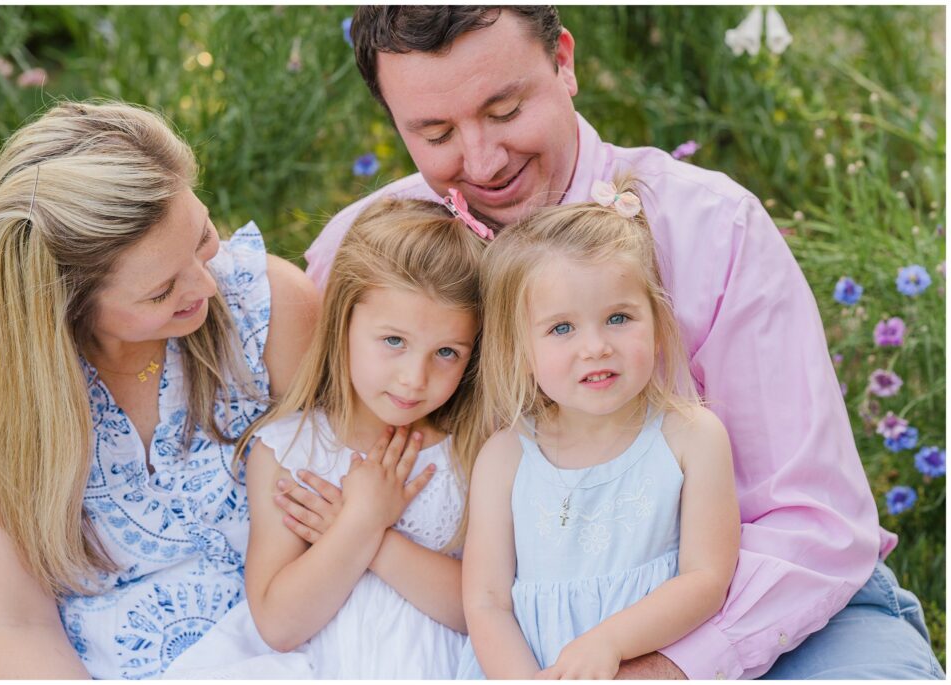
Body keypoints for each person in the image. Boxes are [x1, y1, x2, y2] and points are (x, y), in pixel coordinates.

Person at [303, 6, 943, 680]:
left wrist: (661, 667)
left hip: (773, 615)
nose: (484, 161)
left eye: (505, 109)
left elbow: (814, 523)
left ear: (564, 63)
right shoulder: (374, 252)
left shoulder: (713, 227)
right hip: (518, 639)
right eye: (435, 132)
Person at [0, 101, 321, 679]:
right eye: (162, 291)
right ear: (62, 306)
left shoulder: (273, 311)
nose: (207, 284)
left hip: (268, 650)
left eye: (203, 235)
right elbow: (11, 626)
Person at [162, 196, 488, 679]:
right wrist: (360, 522)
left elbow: (484, 609)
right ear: (344, 320)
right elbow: (278, 623)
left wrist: (368, 530)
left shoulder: (476, 450)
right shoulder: (289, 451)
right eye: (393, 341)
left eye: (446, 352)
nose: (414, 378)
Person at [460, 188, 740, 679]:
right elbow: (486, 603)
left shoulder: (690, 437)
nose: (595, 347)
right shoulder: (505, 458)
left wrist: (608, 643)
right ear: (521, 350)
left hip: (638, 662)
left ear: (656, 326)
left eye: (618, 318)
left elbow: (706, 578)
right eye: (561, 328)